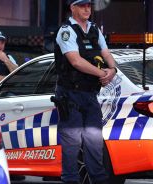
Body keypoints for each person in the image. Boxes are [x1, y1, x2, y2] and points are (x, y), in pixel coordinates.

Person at [54, 0, 116, 183]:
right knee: (72, 143)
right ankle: (71, 180)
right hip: (69, 94)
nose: (87, 9)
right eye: (82, 5)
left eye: (89, 5)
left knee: (95, 142)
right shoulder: (66, 31)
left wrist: (112, 70)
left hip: (90, 94)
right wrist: (102, 73)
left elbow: (106, 53)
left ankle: (98, 180)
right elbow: (75, 61)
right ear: (72, 8)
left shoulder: (95, 29)